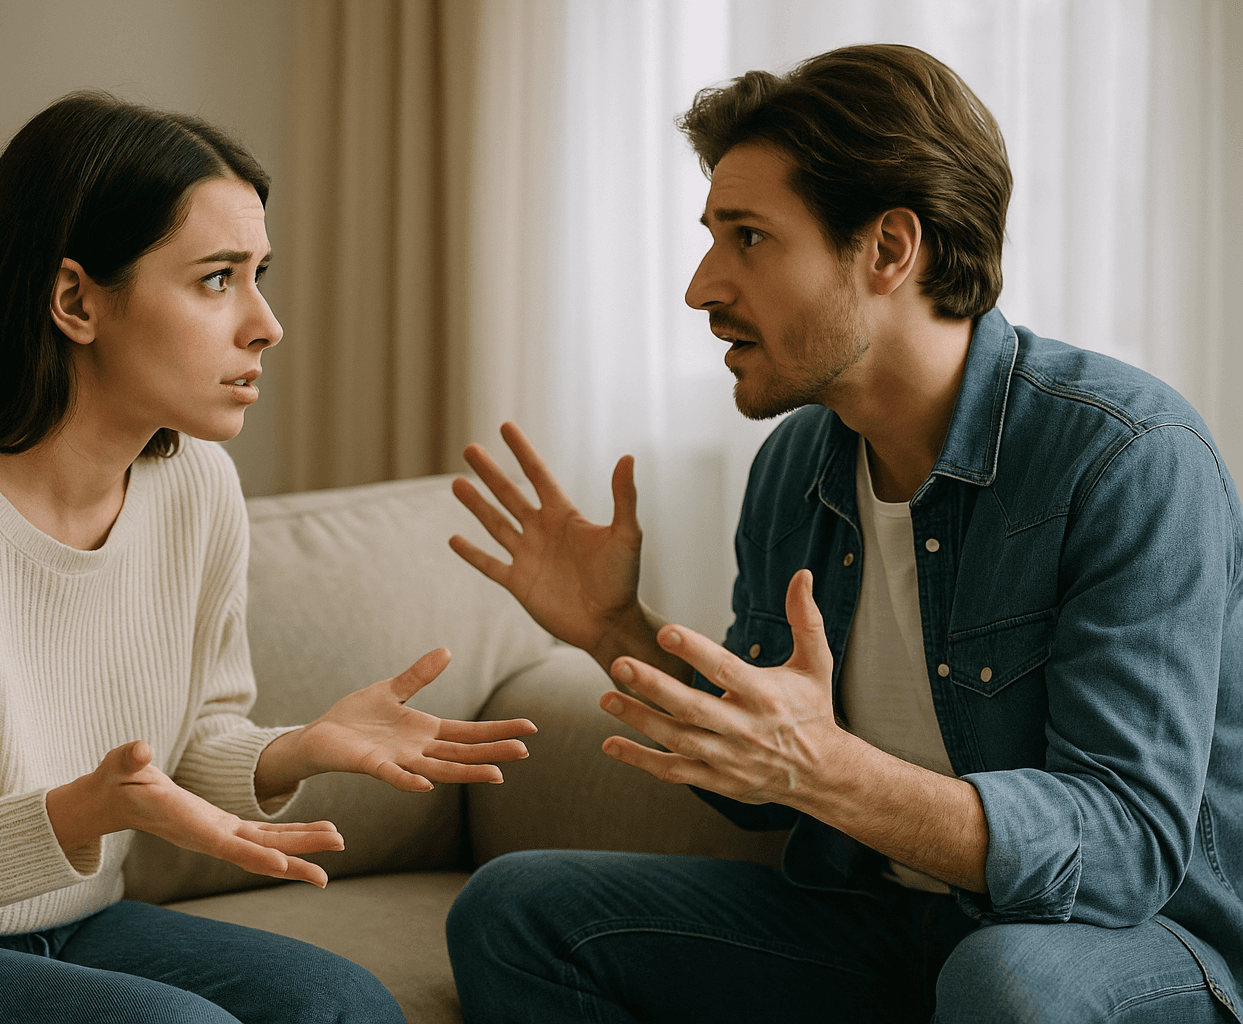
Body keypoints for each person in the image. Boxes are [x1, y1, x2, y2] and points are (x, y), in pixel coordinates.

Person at [443, 43, 1242, 1024]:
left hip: (1137, 948)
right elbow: (763, 789)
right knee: (514, 912)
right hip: (879, 925)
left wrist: (832, 770)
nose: (700, 286)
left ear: (890, 249)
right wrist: (615, 628)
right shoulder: (796, 468)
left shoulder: (1127, 455)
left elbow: (1127, 848)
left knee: (1001, 984)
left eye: (748, 237)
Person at [0, 93, 536, 1024]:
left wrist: (295, 749)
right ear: (75, 300)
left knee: (337, 1003)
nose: (265, 324)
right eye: (218, 279)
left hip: (62, 921)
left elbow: (181, 750)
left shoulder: (198, 489)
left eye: (261, 274)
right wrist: (76, 813)